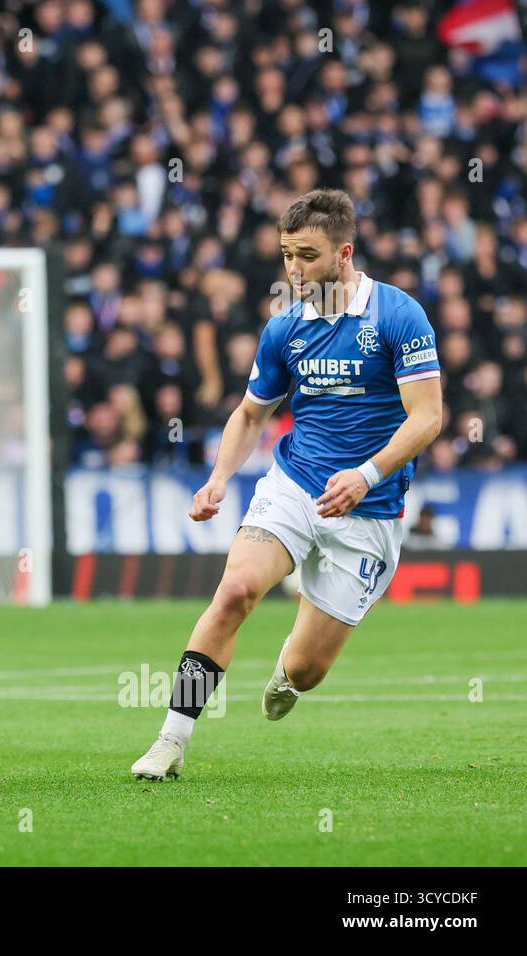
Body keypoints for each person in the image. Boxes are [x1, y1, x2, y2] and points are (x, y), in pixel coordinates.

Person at [131, 188, 443, 780]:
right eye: (285, 256)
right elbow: (252, 413)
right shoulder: (285, 329)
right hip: (295, 483)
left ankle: (287, 671)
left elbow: (427, 416)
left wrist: (367, 473)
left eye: (306, 256)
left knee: (307, 671)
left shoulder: (399, 315)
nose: (294, 271)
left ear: (343, 253)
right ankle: (170, 741)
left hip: (369, 508)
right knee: (234, 592)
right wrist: (219, 479)